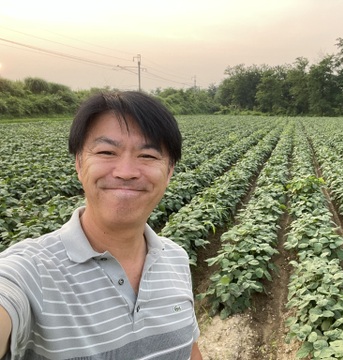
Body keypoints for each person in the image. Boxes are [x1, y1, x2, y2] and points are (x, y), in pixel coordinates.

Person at [0, 91, 203, 360]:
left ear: (169, 171)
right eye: (107, 152)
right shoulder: (29, 272)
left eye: (148, 156)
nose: (126, 171)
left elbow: (188, 351)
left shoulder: (176, 259)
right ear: (79, 164)